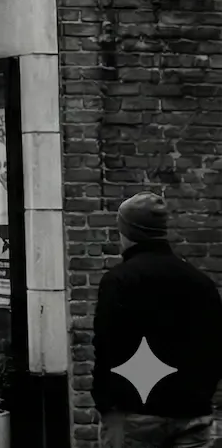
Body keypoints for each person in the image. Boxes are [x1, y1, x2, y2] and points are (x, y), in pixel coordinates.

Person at [93, 192, 222, 448]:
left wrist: (106, 402)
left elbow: (106, 346)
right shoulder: (201, 283)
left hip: (134, 415)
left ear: (128, 231)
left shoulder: (119, 281)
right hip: (193, 414)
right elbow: (215, 346)